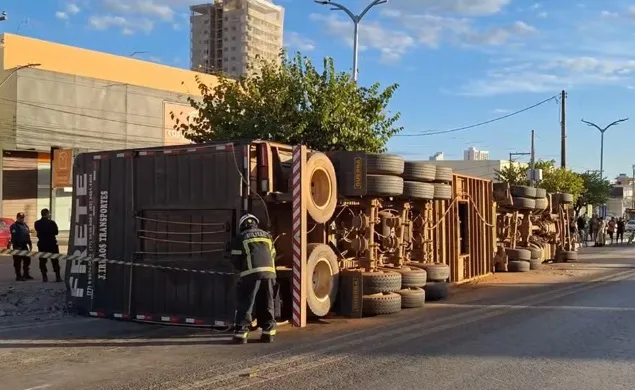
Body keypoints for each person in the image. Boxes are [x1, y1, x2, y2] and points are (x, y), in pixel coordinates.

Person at [230, 213, 277, 344]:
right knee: (267, 302)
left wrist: (240, 271)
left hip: (251, 274)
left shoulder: (241, 237)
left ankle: (241, 334)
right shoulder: (267, 236)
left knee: (246, 302)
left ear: (243, 226)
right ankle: (268, 333)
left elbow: (235, 258)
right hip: (269, 273)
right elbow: (273, 254)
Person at [34, 208, 62, 282]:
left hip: (42, 244)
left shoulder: (37, 223)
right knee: (55, 260)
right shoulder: (52, 223)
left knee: (42, 261)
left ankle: (44, 277)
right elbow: (56, 232)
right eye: (49, 213)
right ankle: (58, 277)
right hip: (52, 244)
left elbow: (37, 230)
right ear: (47, 214)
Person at [8, 212, 33, 281]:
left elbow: (27, 236)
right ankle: (18, 276)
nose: (21, 219)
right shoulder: (14, 226)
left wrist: (30, 244)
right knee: (17, 262)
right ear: (17, 218)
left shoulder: (25, 225)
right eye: (20, 218)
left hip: (25, 246)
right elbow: (14, 237)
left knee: (27, 261)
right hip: (17, 247)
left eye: (22, 218)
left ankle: (26, 274)